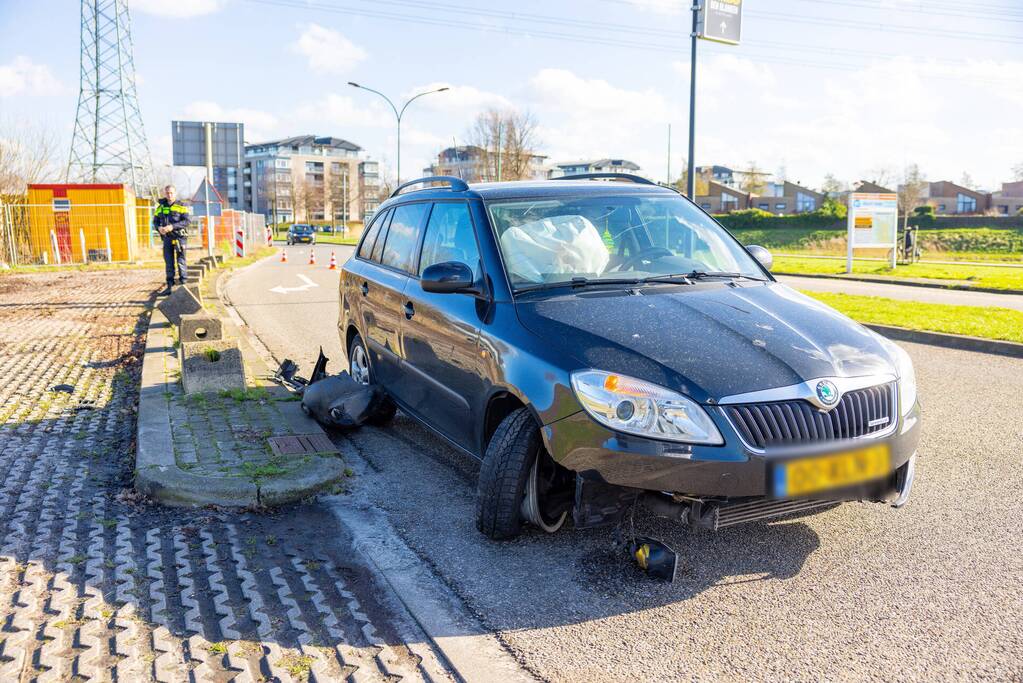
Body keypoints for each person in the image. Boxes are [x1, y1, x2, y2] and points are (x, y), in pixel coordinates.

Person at [154, 185, 190, 295]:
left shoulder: (182, 206)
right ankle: (169, 287)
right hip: (167, 239)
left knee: (181, 261)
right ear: (165, 193)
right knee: (169, 263)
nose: (169, 195)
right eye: (167, 193)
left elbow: (187, 221)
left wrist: (172, 227)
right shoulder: (161, 206)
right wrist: (159, 228)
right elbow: (155, 221)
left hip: (179, 238)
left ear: (175, 193)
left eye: (171, 193)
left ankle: (184, 286)